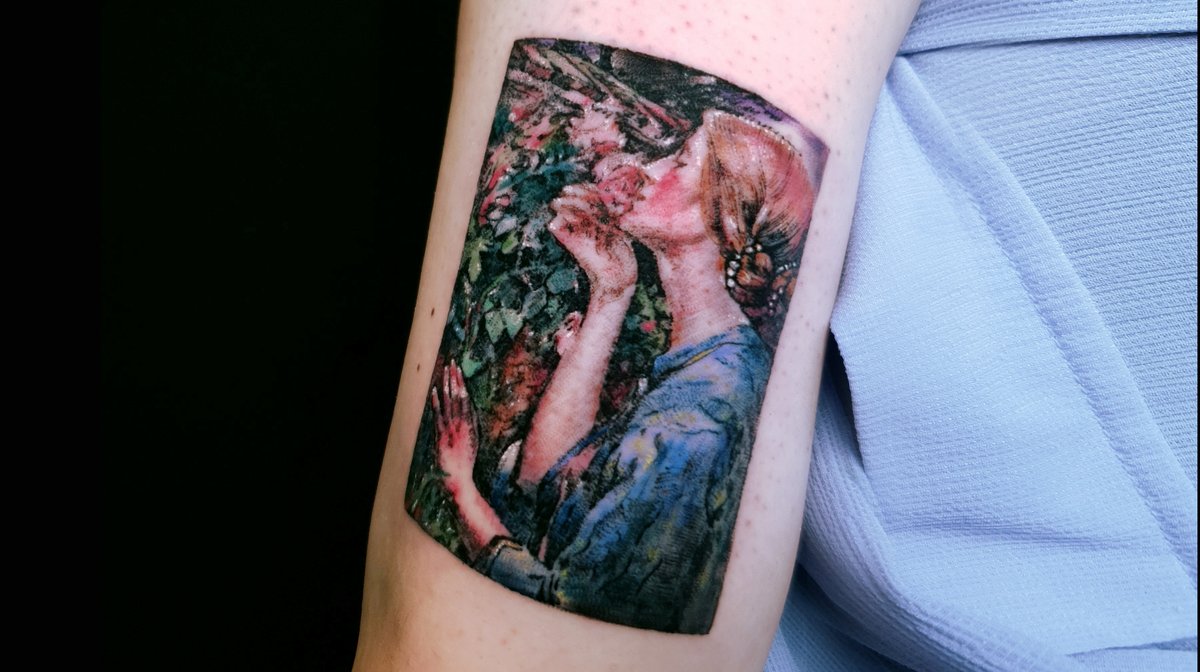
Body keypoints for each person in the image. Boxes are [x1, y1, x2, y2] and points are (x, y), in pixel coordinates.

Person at [428, 110, 817, 633]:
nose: (646, 169)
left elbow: (566, 610)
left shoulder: (696, 424)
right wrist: (611, 293)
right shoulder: (711, 363)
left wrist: (460, 490)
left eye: (679, 161)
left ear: (726, 221)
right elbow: (543, 486)